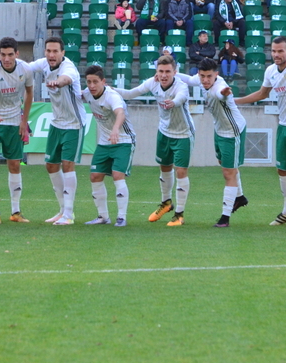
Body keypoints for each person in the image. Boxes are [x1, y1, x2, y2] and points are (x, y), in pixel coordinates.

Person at [235, 17, 286, 228]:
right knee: (282, 170)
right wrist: (236, 101)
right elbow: (262, 93)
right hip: (283, 127)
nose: (277, 54)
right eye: (274, 51)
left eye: (281, 51)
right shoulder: (270, 71)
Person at [115, 55, 194, 226]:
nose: (164, 75)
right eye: (161, 71)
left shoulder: (181, 86)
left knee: (181, 171)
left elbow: (180, 98)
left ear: (175, 72)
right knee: (165, 168)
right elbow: (130, 93)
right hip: (164, 131)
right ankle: (166, 203)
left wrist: (172, 103)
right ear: (156, 72)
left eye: (167, 72)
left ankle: (179, 214)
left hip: (183, 133)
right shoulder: (153, 82)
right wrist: (109, 89)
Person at [178, 57, 249, 225]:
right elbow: (188, 79)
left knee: (228, 172)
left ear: (216, 74)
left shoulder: (219, 87)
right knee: (225, 164)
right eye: (202, 76)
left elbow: (221, 94)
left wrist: (225, 93)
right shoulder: (202, 80)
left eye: (209, 76)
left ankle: (225, 217)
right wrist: (173, 73)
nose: (205, 80)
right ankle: (240, 197)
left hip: (233, 132)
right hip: (219, 130)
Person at [28, 37, 87, 225]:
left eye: (55, 51)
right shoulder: (44, 64)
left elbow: (66, 79)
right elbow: (27, 67)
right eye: (48, 51)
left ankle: (69, 214)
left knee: (67, 164)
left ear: (63, 53)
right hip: (56, 123)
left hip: (74, 123)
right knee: (51, 165)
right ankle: (62, 210)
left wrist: (57, 83)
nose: (51, 55)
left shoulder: (68, 69)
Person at [0, 36, 34, 223]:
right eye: (3, 54)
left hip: (13, 123)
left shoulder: (25, 69)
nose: (7, 58)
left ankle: (16, 212)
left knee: (15, 165)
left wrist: (23, 122)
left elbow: (29, 94)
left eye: (10, 54)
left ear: (17, 54)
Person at [79, 65, 135, 227]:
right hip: (104, 141)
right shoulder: (87, 93)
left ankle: (121, 217)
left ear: (103, 81)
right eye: (88, 82)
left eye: (95, 82)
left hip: (123, 140)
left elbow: (120, 113)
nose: (91, 85)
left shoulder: (112, 96)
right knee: (95, 176)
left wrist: (116, 130)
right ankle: (102, 216)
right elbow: (75, 95)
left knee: (118, 175)